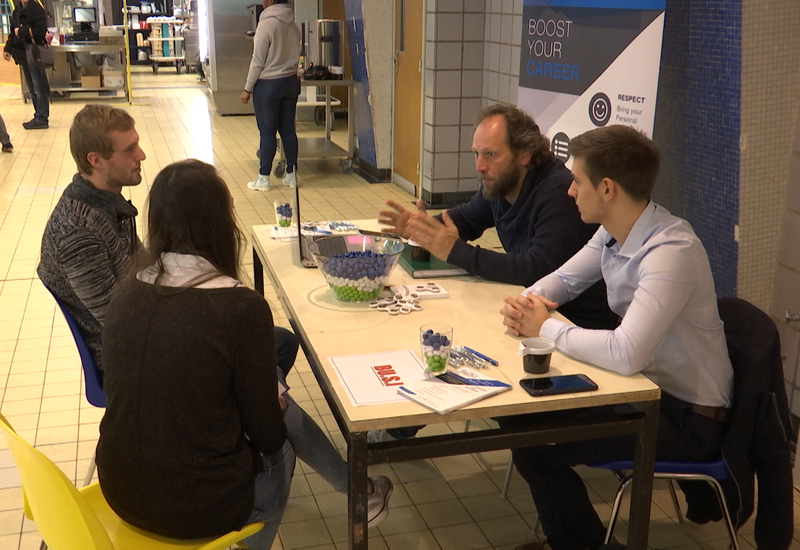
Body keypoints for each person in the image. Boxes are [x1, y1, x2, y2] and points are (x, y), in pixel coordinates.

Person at [37, 109, 393, 524]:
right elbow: (118, 322)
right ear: (95, 159)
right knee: (274, 404)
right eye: (129, 148)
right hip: (133, 357)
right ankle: (357, 489)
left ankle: (269, 405)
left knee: (280, 342)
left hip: (124, 476)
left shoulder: (109, 208)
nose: (143, 155)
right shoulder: (79, 231)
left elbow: (138, 297)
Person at [499, 125, 734, 550]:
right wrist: (526, 303)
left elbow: (625, 353)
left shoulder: (671, 251)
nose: (569, 191)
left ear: (606, 188)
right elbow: (565, 280)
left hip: (688, 418)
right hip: (645, 393)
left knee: (537, 445)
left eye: (576, 181)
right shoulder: (614, 231)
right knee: (522, 421)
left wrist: (546, 327)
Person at [96, 159, 293, 547]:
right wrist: (276, 405)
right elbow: (268, 435)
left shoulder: (125, 291)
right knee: (285, 448)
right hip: (199, 509)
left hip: (118, 490)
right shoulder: (242, 308)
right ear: (220, 223)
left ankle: (360, 490)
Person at [379, 104, 617, 331]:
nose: (480, 166)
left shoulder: (559, 191)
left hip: (576, 324)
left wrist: (454, 250)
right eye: (476, 154)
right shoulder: (501, 185)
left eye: (491, 154)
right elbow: (464, 220)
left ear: (524, 154)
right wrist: (422, 228)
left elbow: (536, 269)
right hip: (535, 315)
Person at [241, 0, 301, 191]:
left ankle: (263, 179)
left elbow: (257, 61)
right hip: (290, 82)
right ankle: (292, 176)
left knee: (267, 132)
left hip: (268, 85)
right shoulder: (292, 23)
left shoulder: (266, 24)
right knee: (288, 131)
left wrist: (247, 89)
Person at [2, 0, 49, 130]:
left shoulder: (37, 9)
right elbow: (13, 32)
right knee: (32, 88)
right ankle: (38, 115)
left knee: (39, 86)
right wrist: (8, 49)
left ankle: (42, 117)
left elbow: (40, 31)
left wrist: (22, 31)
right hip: (22, 53)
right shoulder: (17, 10)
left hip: (34, 53)